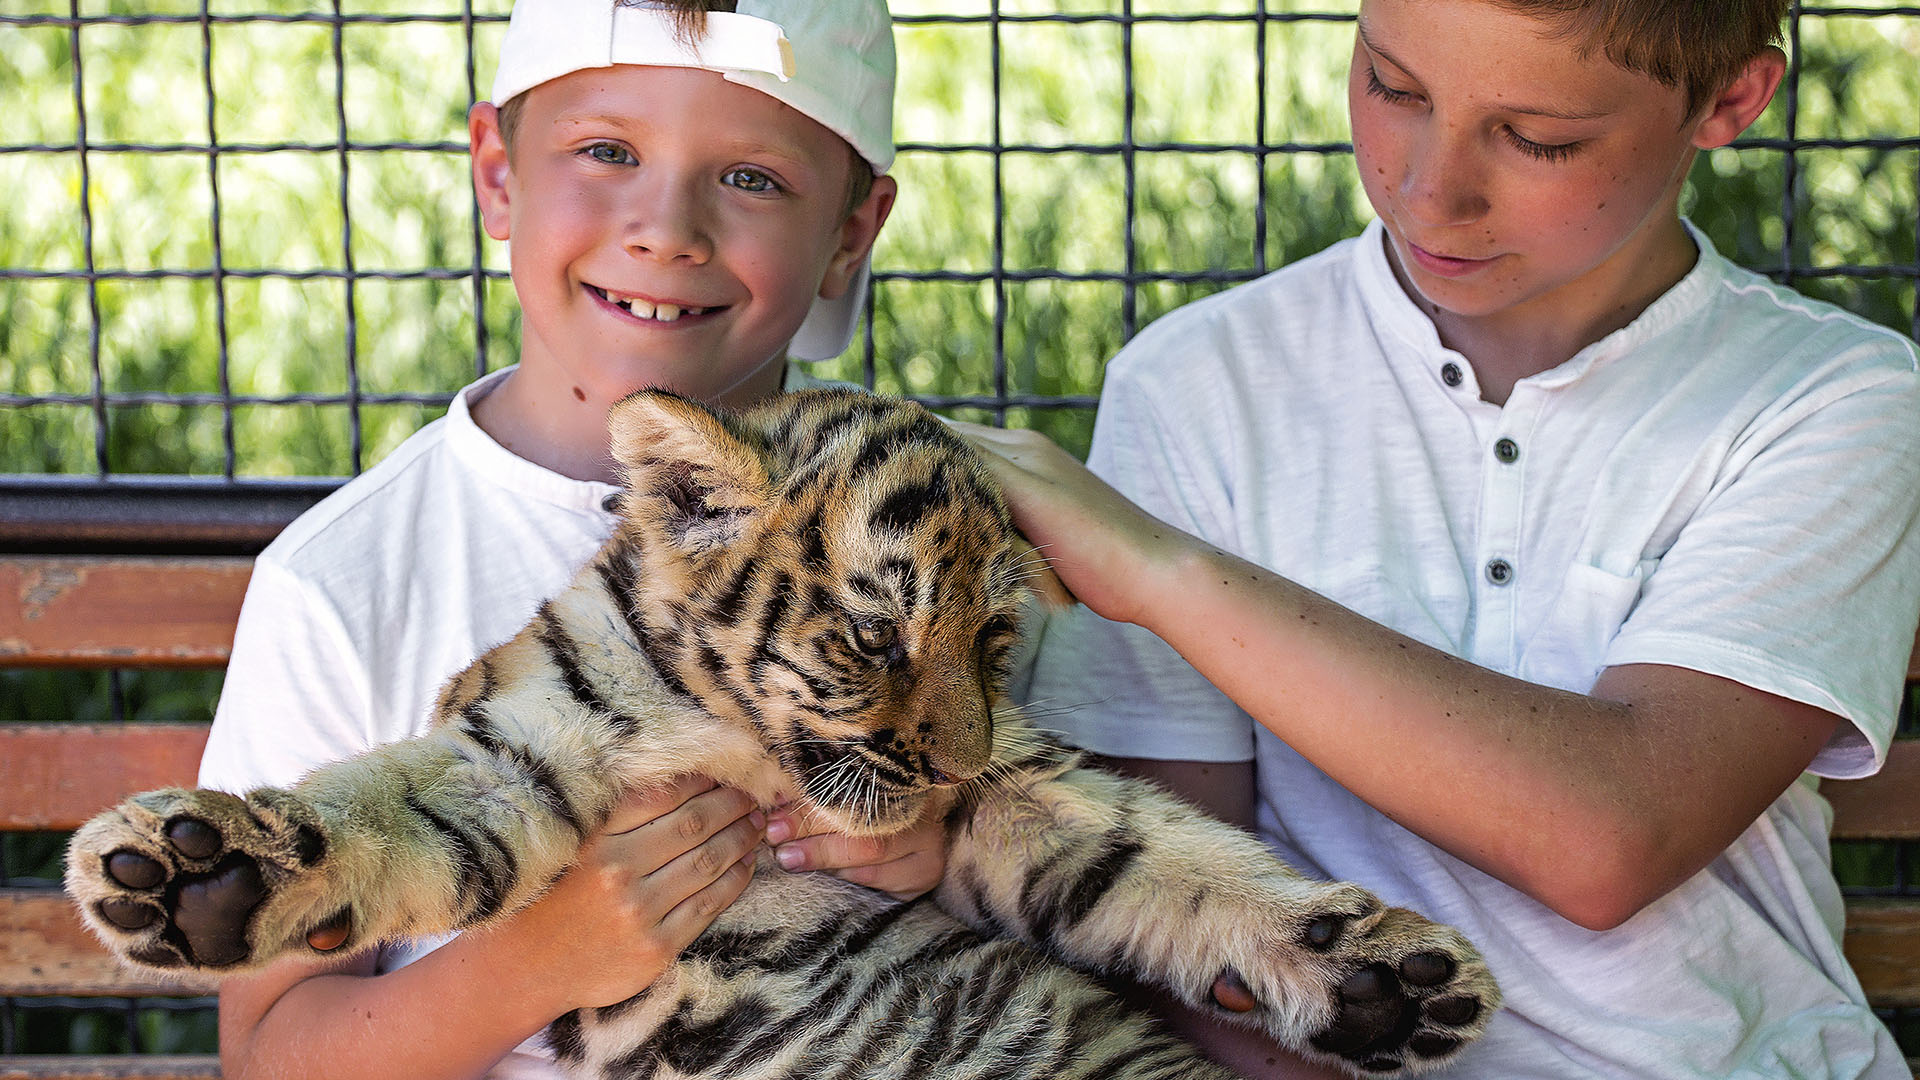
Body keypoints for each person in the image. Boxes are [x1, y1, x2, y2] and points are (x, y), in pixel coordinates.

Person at [958, 0, 1920, 1076]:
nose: (1428, 190)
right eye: (1393, 88)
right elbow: (1172, 938)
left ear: (1731, 99)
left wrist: (1166, 575)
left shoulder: (1831, 398)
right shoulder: (1199, 384)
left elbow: (1611, 840)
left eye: (1539, 137)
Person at [195, 2, 936, 1077]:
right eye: (606, 151)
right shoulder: (346, 585)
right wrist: (537, 964)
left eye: (751, 178)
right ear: (498, 172)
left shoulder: (928, 530)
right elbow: (269, 1050)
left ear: (851, 232)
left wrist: (942, 853)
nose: (667, 228)